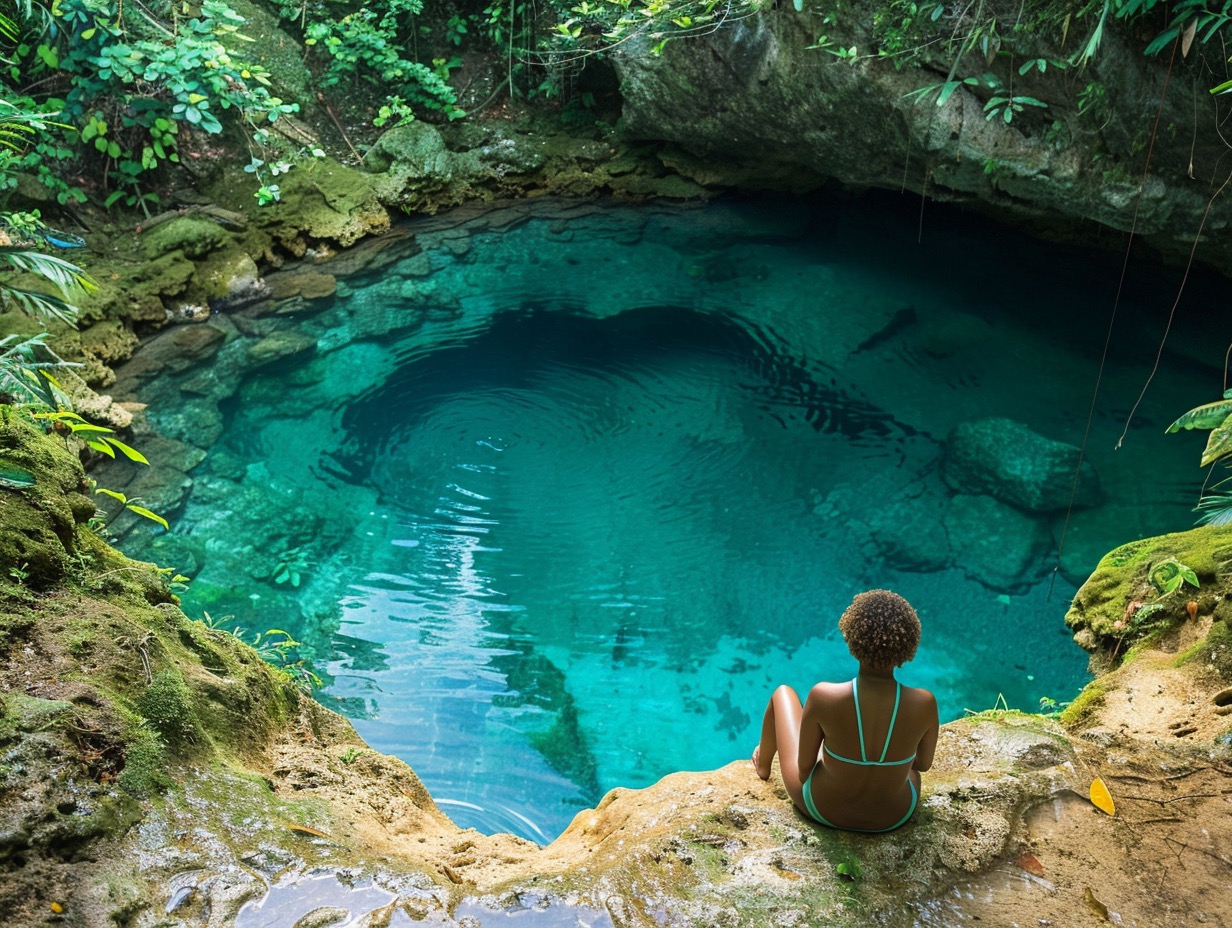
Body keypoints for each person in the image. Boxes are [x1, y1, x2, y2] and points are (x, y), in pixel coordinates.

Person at [752, 589, 939, 833]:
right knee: (909, 775)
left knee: (782, 693)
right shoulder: (924, 703)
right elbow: (922, 765)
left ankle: (763, 765)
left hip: (822, 810)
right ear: (908, 644)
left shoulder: (824, 696)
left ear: (852, 638)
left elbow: (804, 770)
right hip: (893, 817)